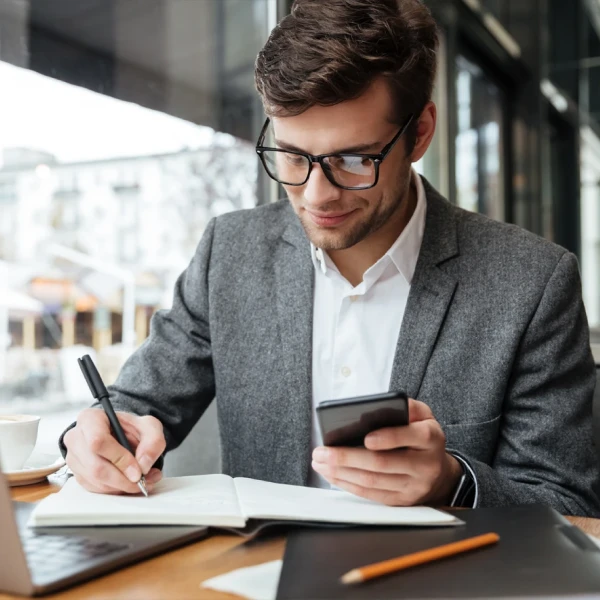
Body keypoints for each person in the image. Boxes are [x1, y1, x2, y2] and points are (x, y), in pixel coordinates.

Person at [61, 0, 600, 515]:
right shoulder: (229, 253)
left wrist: (453, 482)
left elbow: (570, 504)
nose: (317, 195)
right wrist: (92, 438)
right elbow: (133, 407)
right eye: (293, 157)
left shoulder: (531, 283)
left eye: (352, 158)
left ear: (421, 133)